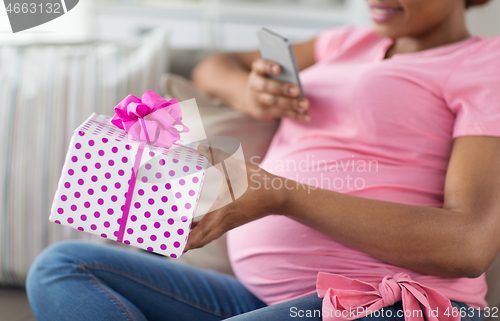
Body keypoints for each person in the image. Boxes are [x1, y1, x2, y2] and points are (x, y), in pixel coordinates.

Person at [26, 0, 500, 320]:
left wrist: (280, 195)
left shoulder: (485, 65)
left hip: (386, 303)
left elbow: (468, 245)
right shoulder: (345, 43)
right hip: (264, 300)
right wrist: (246, 91)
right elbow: (214, 65)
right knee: (62, 268)